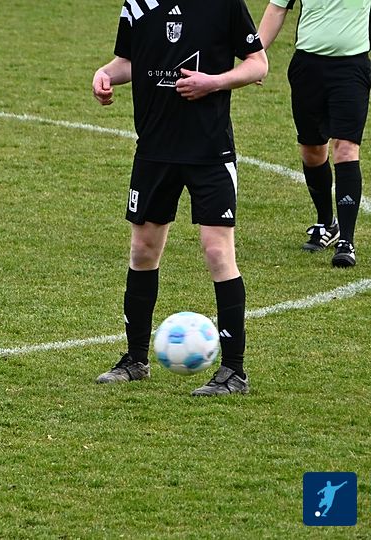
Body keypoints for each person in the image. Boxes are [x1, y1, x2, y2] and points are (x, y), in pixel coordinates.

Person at [91, 0, 268, 395]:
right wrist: (105, 74)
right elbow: (130, 61)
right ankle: (135, 359)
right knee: (142, 251)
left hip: (209, 152)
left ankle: (234, 371)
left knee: (217, 251)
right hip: (154, 151)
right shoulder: (138, 4)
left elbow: (258, 64)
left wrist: (213, 82)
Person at [257, 0, 371, 267]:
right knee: (312, 151)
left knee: (346, 148)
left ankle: (346, 242)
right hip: (308, 67)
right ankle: (327, 223)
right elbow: (277, 8)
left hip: (352, 68)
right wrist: (257, 55)